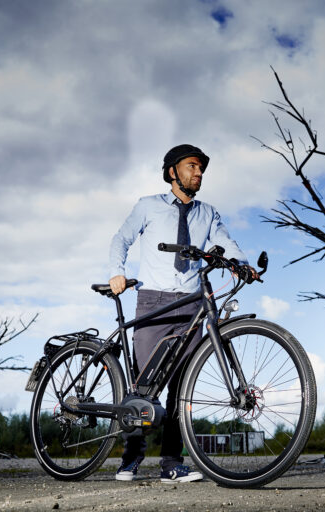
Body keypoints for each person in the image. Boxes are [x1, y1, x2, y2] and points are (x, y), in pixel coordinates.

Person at [107, 144, 255, 483]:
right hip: (153, 301)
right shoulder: (148, 206)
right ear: (173, 171)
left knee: (182, 387)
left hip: (191, 304)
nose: (198, 172)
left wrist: (241, 265)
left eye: (201, 168)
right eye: (192, 166)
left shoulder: (208, 213)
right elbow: (121, 239)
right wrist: (117, 271)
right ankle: (129, 459)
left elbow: (226, 242)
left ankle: (172, 463)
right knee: (142, 385)